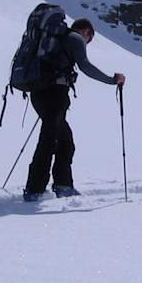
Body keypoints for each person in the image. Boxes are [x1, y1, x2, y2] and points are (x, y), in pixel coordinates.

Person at [24, 17, 125, 201]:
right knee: (50, 141)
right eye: (90, 39)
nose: (87, 42)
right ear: (86, 31)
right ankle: (35, 189)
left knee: (62, 140)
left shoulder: (57, 40)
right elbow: (85, 66)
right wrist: (112, 80)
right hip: (54, 95)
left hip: (39, 93)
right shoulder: (75, 38)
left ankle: (60, 185)